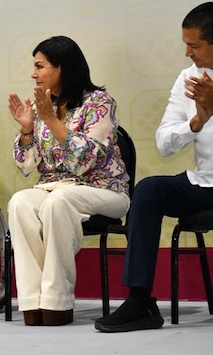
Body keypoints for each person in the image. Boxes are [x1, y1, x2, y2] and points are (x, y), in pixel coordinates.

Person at [96, 2, 213, 333]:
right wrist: (196, 121)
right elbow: (164, 143)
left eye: (194, 45)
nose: (187, 52)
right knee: (148, 190)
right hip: (205, 183)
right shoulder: (188, 79)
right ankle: (140, 302)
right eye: (185, 44)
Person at [7, 36, 129, 326]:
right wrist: (27, 130)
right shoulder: (43, 107)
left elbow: (84, 161)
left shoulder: (99, 103)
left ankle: (57, 301)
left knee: (58, 202)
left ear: (62, 67)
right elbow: (26, 165)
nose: (33, 74)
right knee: (20, 202)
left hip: (104, 189)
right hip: (55, 188)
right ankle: (32, 302)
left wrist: (51, 121)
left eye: (40, 66)